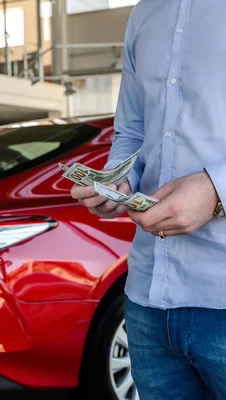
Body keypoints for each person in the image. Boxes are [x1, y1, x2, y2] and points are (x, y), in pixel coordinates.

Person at [71, 1, 226, 398]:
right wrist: (118, 182)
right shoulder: (144, 14)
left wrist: (215, 191)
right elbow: (132, 132)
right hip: (147, 301)